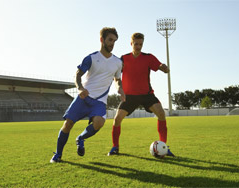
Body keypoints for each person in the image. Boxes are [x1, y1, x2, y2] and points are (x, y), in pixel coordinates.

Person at [50, 27, 125, 163]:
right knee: (68, 124)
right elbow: (78, 74)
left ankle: (81, 138)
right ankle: (58, 155)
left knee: (99, 122)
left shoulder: (118, 62)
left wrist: (120, 89)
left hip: (100, 101)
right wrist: (80, 88)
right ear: (102, 40)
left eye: (114, 41)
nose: (112, 43)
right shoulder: (91, 58)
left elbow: (117, 79)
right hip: (84, 97)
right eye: (109, 40)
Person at [107, 32, 175, 157]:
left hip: (146, 94)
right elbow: (116, 77)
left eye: (140, 44)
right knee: (117, 119)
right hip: (129, 96)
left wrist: (164, 68)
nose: (138, 47)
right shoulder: (123, 58)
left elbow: (160, 66)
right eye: (136, 44)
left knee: (161, 113)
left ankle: (164, 147)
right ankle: (115, 147)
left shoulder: (148, 57)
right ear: (131, 43)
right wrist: (119, 88)